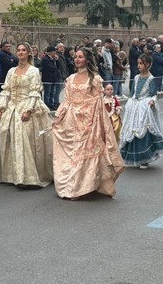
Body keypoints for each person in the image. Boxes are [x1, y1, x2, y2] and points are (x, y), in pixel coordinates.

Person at [52, 48, 124, 200]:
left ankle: (83, 187)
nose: (77, 59)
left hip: (89, 120)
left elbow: (97, 102)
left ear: (87, 60)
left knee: (85, 153)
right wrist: (59, 117)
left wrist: (95, 121)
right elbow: (68, 100)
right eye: (76, 57)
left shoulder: (95, 79)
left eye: (80, 57)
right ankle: (73, 186)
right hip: (72, 120)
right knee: (73, 154)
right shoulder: (70, 78)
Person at [0, 42, 53, 188]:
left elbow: (35, 92)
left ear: (28, 53)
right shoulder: (11, 71)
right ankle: (11, 174)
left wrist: (28, 109)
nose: (20, 52)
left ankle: (27, 176)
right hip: (11, 107)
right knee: (6, 135)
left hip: (27, 105)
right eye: (18, 50)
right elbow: (6, 90)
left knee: (23, 138)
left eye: (23, 50)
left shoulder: (33, 71)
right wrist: (0, 107)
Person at [119, 54, 163, 169]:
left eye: (141, 64)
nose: (139, 66)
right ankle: (131, 157)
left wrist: (152, 101)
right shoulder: (136, 77)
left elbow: (153, 94)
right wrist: (130, 102)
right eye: (138, 63)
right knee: (130, 130)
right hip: (134, 107)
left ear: (148, 65)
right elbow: (133, 92)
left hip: (144, 108)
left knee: (143, 131)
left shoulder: (151, 79)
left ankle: (144, 159)